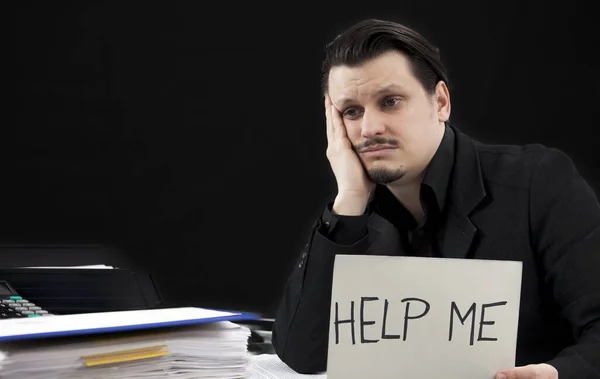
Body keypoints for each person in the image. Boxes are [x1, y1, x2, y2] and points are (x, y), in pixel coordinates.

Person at [271, 18, 600, 379]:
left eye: (391, 101)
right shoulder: (354, 217)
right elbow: (302, 356)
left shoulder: (539, 182)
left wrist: (556, 374)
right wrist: (348, 200)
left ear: (440, 102)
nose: (369, 128)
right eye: (351, 111)